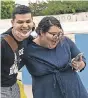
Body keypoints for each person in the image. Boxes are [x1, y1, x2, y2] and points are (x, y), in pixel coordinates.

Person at [23, 16, 88, 98]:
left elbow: (82, 60)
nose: (56, 38)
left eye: (59, 34)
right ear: (41, 32)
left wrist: (80, 64)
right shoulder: (28, 50)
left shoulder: (65, 41)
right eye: (53, 34)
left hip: (75, 92)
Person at [1, 5, 34, 98]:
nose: (25, 25)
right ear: (12, 23)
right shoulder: (2, 43)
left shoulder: (27, 39)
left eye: (28, 21)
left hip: (14, 86)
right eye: (20, 22)